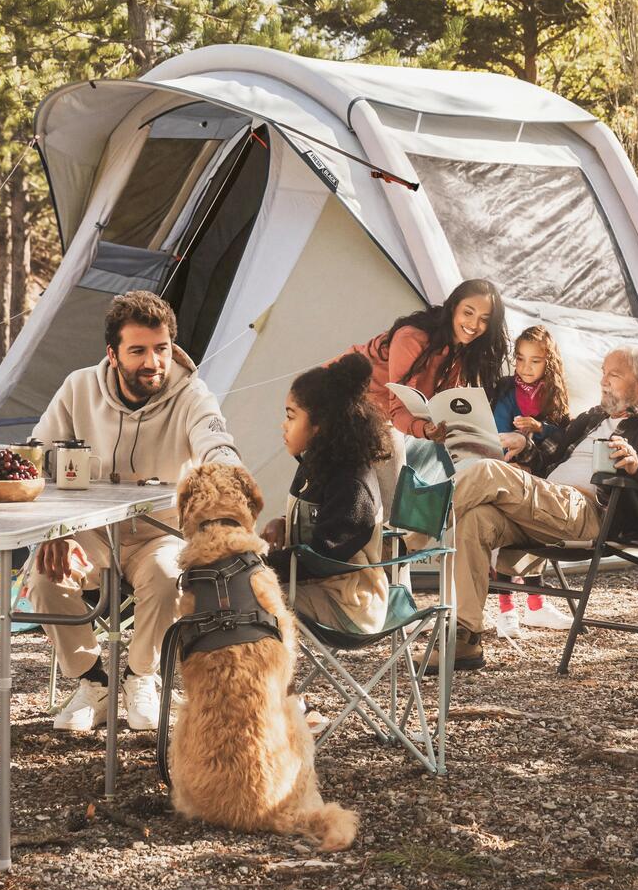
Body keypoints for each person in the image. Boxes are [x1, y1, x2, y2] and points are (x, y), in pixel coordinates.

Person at [28, 290, 241, 732]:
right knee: (45, 578)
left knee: (168, 576)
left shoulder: (192, 395)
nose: (153, 362)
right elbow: (36, 459)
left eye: (161, 349)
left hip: (158, 532)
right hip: (87, 530)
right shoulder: (78, 387)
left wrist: (228, 476)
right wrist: (54, 530)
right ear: (113, 354)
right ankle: (93, 683)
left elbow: (216, 443)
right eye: (138, 351)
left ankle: (141, 677)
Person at [426, 344, 638, 673]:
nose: (603, 381)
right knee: (474, 520)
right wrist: (526, 445)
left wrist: (637, 466)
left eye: (614, 375)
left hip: (589, 512)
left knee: (488, 473)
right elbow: (548, 454)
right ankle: (465, 642)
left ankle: (408, 538)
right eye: (603, 373)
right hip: (543, 505)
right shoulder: (592, 418)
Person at [260, 354, 392, 636]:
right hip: (317, 588)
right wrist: (284, 522)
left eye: (291, 416)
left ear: (320, 425)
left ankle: (261, 679)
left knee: (243, 598)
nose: (283, 425)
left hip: (349, 605)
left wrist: (257, 564)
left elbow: (324, 556)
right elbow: (322, 519)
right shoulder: (317, 463)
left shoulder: (352, 484)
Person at [342, 278, 510, 441]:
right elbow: (399, 409)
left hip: (376, 417)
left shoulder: (461, 352)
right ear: (453, 307)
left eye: (484, 319)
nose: (474, 324)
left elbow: (442, 405)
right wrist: (424, 429)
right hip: (340, 398)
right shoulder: (412, 338)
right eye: (468, 312)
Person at [489, 326, 574, 639]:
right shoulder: (506, 390)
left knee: (535, 534)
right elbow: (496, 430)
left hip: (538, 476)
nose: (525, 367)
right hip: (507, 471)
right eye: (520, 359)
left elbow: (565, 436)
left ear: (548, 363)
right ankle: (507, 608)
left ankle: (537, 605)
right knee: (504, 537)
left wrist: (539, 428)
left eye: (535, 361)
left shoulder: (554, 393)